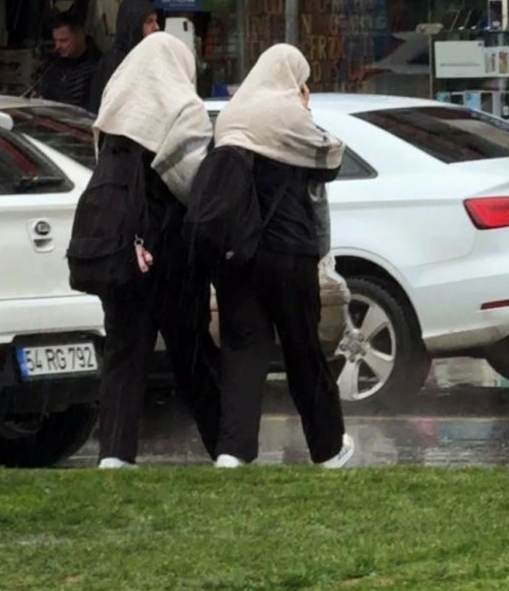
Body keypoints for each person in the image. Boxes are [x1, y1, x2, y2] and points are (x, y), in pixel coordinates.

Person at [210, 43, 354, 469]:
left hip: (238, 253)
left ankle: (232, 452)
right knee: (303, 350)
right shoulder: (289, 115)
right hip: (289, 252)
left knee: (243, 351)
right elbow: (330, 162)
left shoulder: (232, 116)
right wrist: (305, 110)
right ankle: (328, 449)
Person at [91, 32, 221, 469]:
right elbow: (191, 184)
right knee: (192, 352)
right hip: (169, 250)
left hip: (119, 247)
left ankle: (115, 454)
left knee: (124, 353)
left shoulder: (115, 106)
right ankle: (225, 445)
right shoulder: (182, 108)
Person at [87, 0, 162, 114]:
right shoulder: (113, 64)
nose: (156, 27)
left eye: (156, 21)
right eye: (149, 22)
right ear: (133, 25)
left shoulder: (154, 58)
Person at [36, 11, 100, 108]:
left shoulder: (98, 65)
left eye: (63, 40)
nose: (57, 46)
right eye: (55, 40)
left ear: (80, 35)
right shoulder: (53, 62)